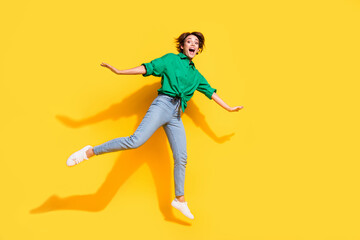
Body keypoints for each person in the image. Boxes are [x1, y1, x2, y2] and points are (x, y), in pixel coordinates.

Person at [66, 32, 243, 219]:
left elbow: (211, 92)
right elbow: (147, 68)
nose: (192, 44)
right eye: (188, 41)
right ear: (182, 46)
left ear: (198, 49)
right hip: (163, 104)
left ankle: (180, 200)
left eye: (196, 42)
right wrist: (120, 71)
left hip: (176, 115)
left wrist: (229, 108)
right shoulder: (171, 60)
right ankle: (90, 151)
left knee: (181, 157)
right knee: (135, 141)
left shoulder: (196, 75)